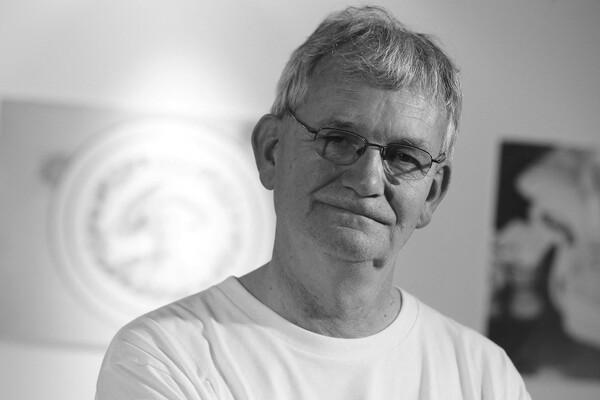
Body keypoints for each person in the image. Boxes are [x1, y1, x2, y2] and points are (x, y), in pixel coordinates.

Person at [96, 6, 532, 399]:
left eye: (403, 156)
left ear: (432, 194)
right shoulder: (165, 357)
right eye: (339, 139)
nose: (367, 180)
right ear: (272, 151)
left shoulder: (484, 376)